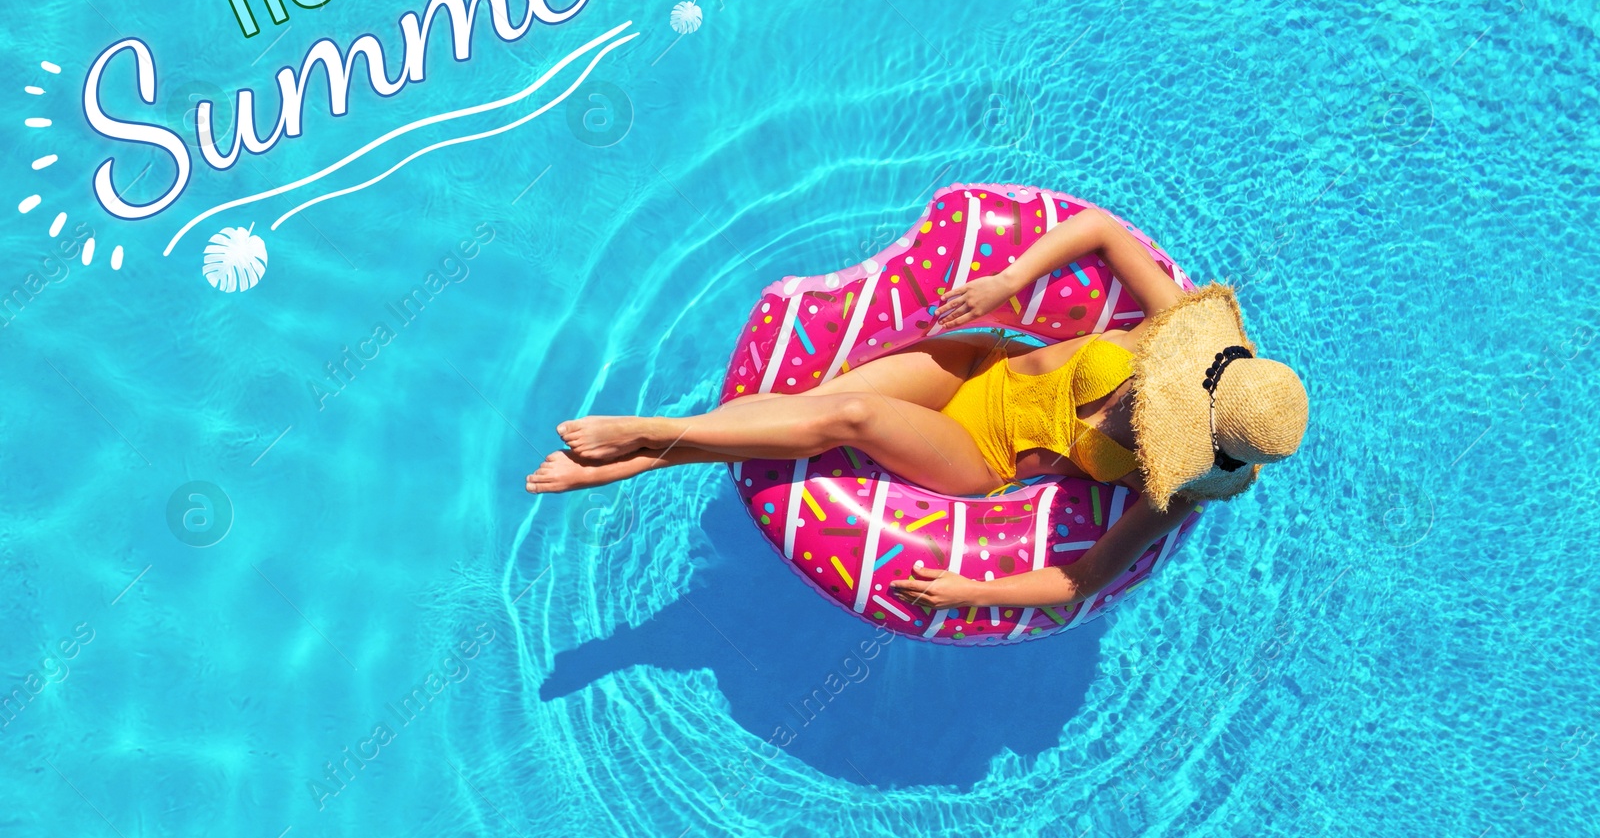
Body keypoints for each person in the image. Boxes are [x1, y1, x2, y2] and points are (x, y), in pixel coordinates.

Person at [527, 205, 1309, 615]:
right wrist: (1009, 282)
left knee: (853, 418)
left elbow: (1088, 576)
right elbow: (1100, 232)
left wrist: (975, 592)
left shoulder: (1175, 487)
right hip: (979, 363)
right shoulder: (1175, 324)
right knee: (813, 407)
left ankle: (651, 434)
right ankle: (631, 461)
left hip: (977, 452)